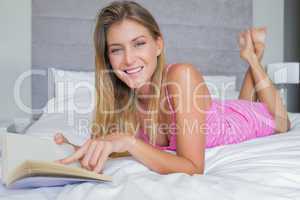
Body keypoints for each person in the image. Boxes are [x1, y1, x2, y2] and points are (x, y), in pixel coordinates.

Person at [54, 1, 290, 175]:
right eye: (116, 49)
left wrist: (129, 141)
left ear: (158, 44)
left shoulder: (182, 75)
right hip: (219, 114)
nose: (128, 59)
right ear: (107, 58)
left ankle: (251, 57)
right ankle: (251, 56)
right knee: (244, 103)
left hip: (240, 120)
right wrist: (73, 149)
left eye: (139, 44)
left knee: (281, 123)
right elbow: (112, 146)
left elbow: (193, 167)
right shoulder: (121, 100)